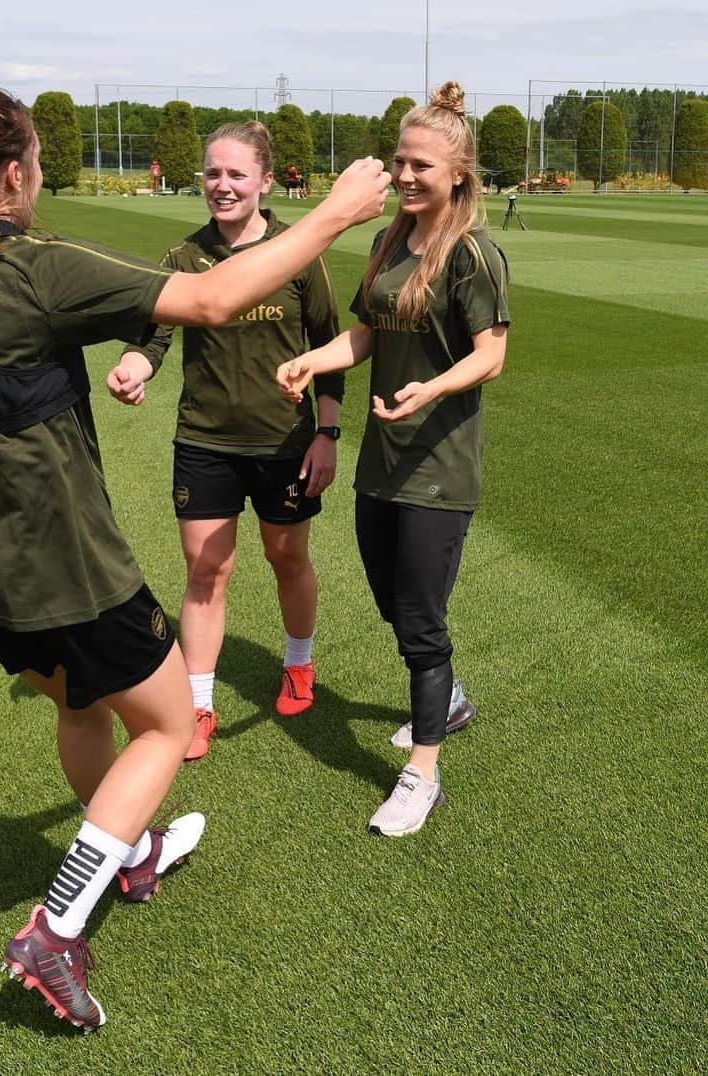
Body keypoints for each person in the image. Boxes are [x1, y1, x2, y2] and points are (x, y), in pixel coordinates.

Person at [0, 83, 389, 1030]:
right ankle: (57, 927)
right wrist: (338, 212)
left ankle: (134, 855)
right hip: (68, 564)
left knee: (76, 697)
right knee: (160, 725)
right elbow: (213, 296)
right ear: (16, 173)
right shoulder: (30, 266)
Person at [277, 81, 509, 838]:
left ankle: (422, 775)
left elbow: (492, 355)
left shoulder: (472, 253)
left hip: (439, 464)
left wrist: (430, 389)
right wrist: (313, 360)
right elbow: (368, 334)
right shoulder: (390, 242)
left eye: (421, 168)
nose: (406, 177)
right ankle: (445, 698)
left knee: (417, 617)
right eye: (400, 162)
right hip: (383, 460)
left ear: (458, 178)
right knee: (391, 598)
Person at [107, 121, 343, 762]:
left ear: (266, 181)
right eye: (213, 173)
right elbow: (152, 334)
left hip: (285, 443)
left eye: (237, 174)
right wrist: (136, 366)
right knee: (206, 571)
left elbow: (329, 347)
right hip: (205, 441)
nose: (223, 185)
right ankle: (200, 702)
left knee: (286, 559)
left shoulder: (298, 255)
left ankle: (298, 663)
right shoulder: (184, 258)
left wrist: (326, 434)